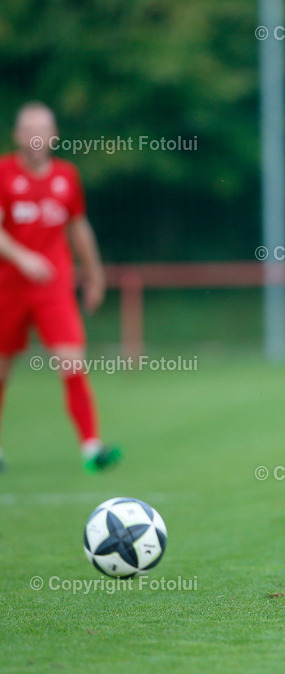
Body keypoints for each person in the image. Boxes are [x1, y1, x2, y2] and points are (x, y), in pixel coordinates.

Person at [0, 102, 120, 473]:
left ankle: (91, 447)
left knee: (72, 362)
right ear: (18, 136)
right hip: (8, 288)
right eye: (29, 130)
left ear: (54, 136)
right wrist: (23, 258)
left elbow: (79, 227)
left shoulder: (67, 175)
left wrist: (95, 274)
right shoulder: (4, 173)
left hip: (53, 288)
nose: (37, 138)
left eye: (44, 130)